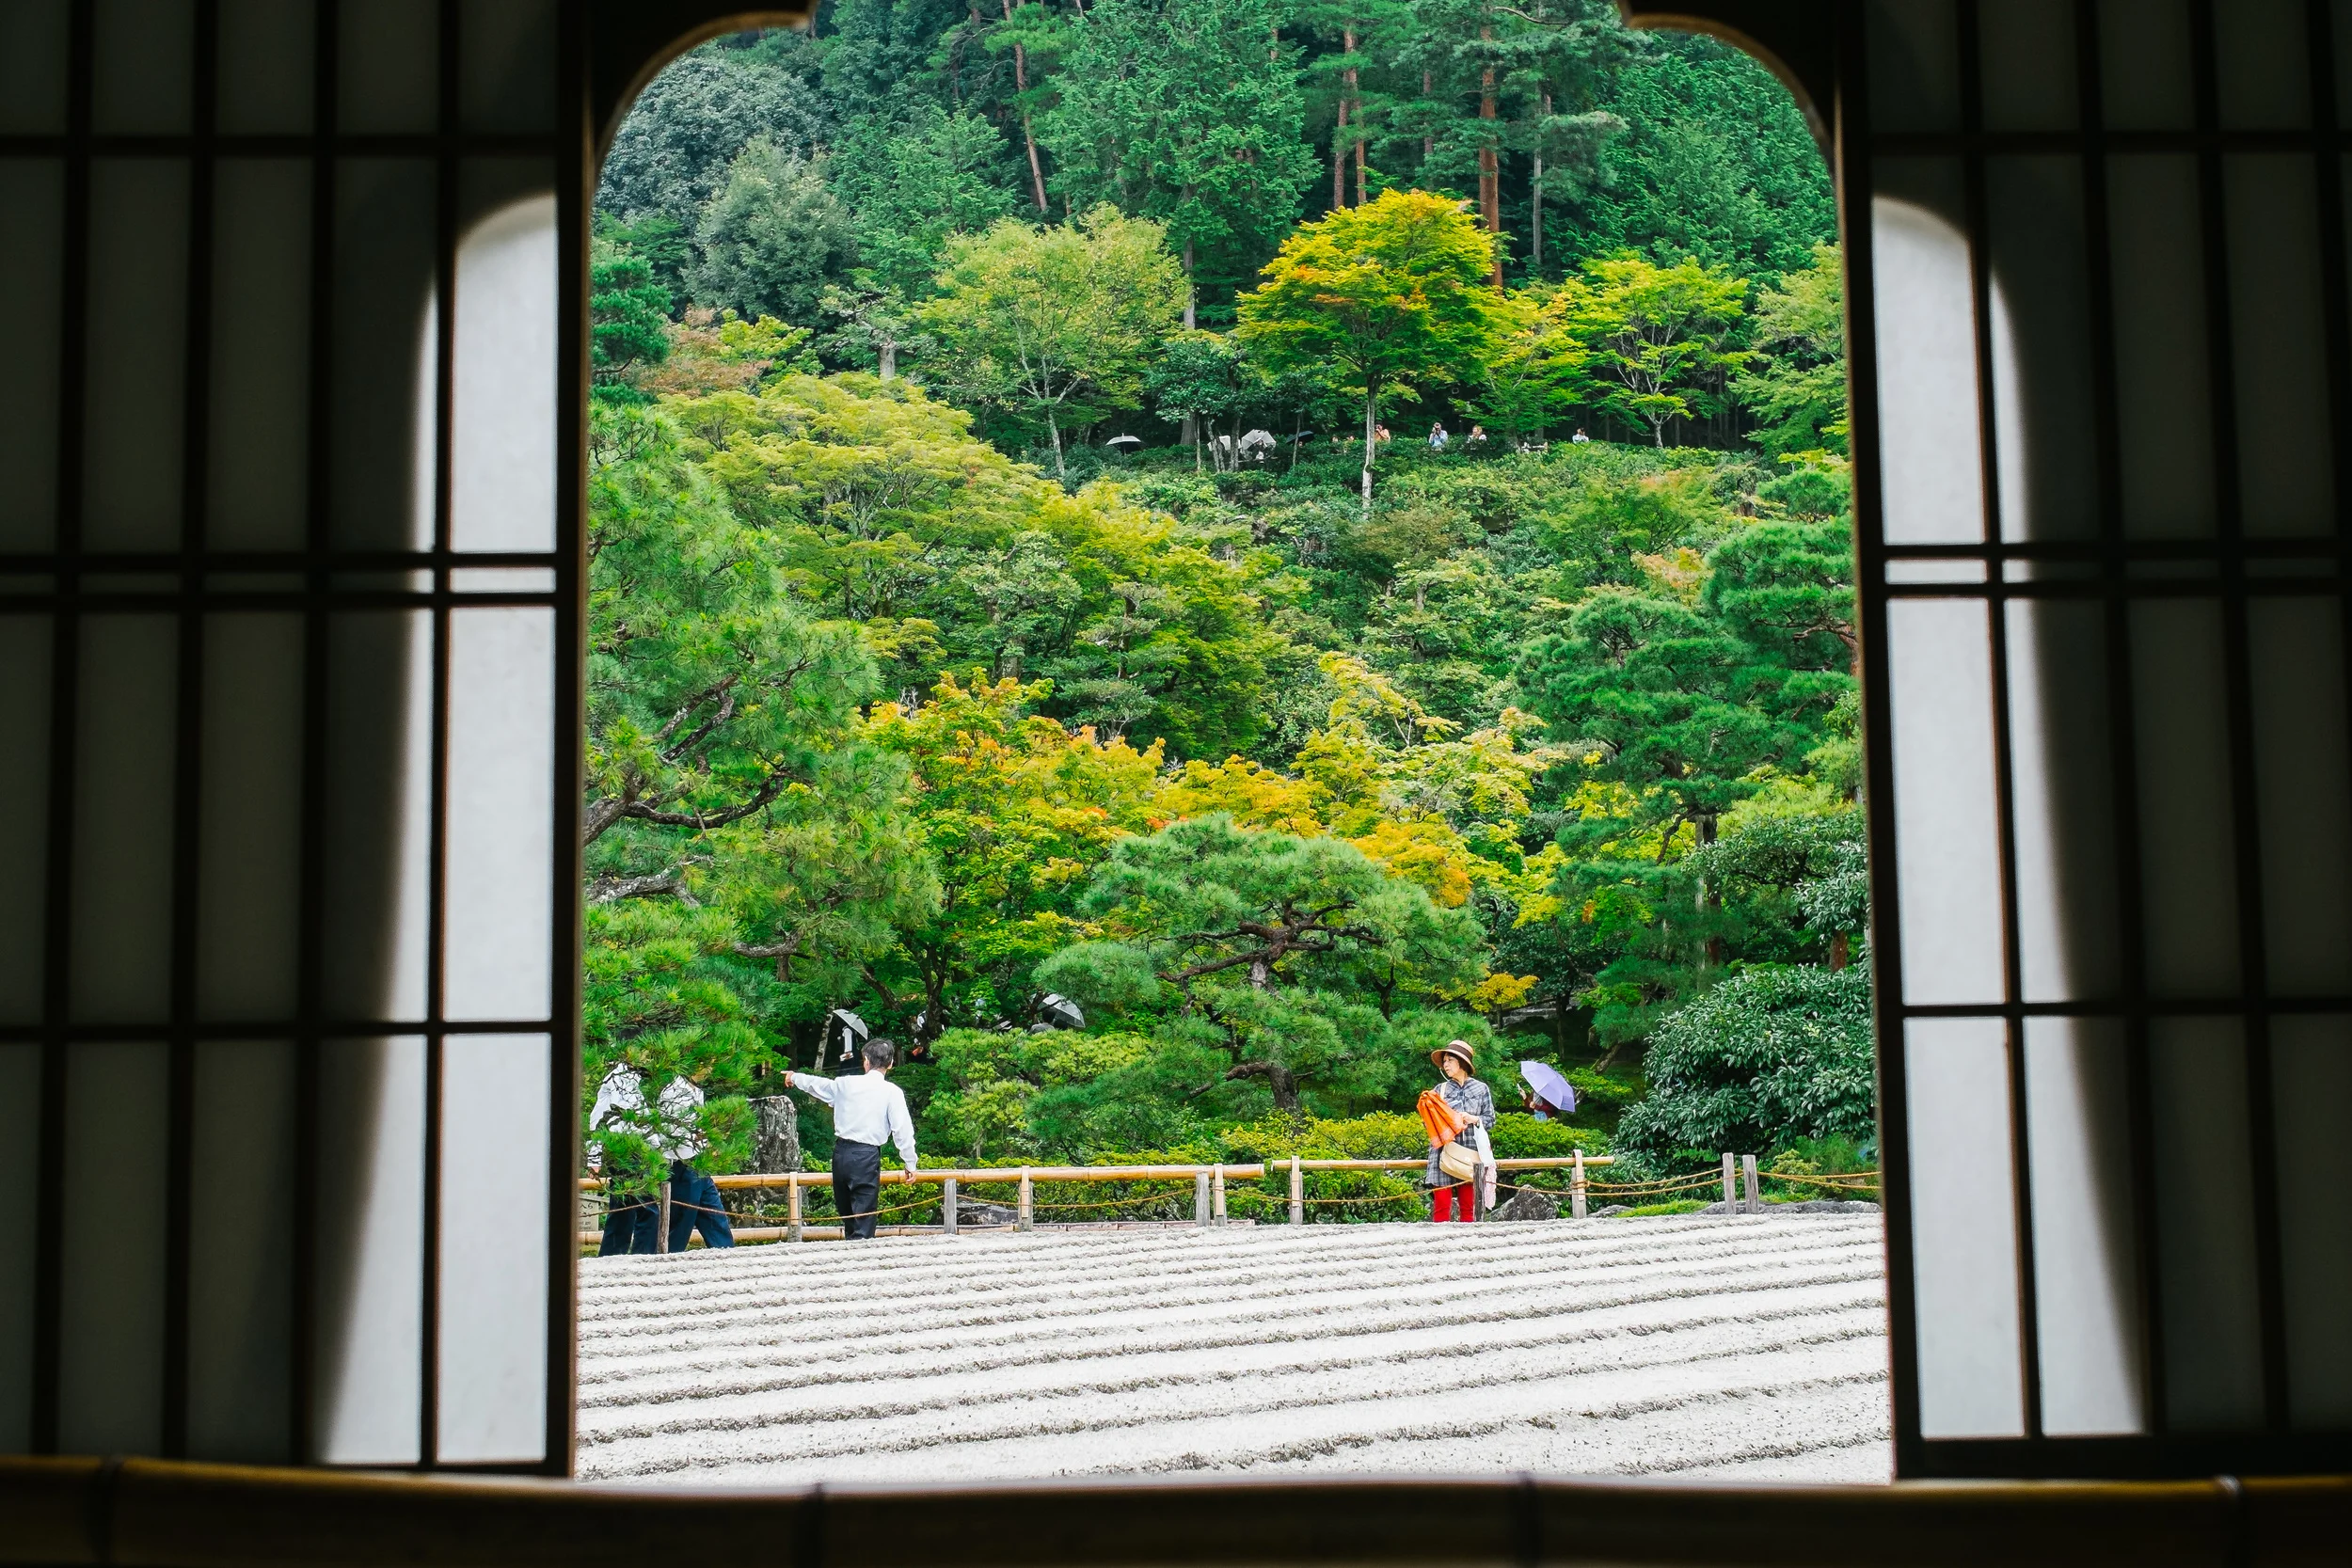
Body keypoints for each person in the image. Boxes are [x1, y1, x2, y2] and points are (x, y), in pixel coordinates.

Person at [590, 1066, 737, 1255]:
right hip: (670, 1159)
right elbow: (660, 1126)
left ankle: (725, 1255)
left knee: (713, 1215)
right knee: (661, 1218)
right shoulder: (666, 1087)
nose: (710, 1067)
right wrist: (594, 1156)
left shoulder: (692, 1088)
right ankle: (654, 1259)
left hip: (693, 1159)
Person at [786, 1037, 919, 1240]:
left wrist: (795, 1077)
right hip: (866, 1155)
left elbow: (818, 1085)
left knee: (846, 1213)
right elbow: (903, 1130)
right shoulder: (892, 1092)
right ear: (891, 1063)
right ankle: (860, 1258)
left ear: (865, 1060)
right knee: (863, 1216)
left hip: (841, 1153)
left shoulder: (845, 1084)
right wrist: (910, 1162)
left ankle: (852, 1253)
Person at [1421, 1039, 1495, 1224]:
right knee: (1441, 1207)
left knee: (1469, 1208)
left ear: (1462, 1062)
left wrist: (1474, 1119)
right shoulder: (1440, 1090)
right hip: (1443, 1152)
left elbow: (1490, 1119)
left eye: (1449, 1060)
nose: (1445, 1065)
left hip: (1470, 1153)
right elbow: (1428, 1123)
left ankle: (1468, 1247)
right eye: (1444, 1061)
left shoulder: (1481, 1088)